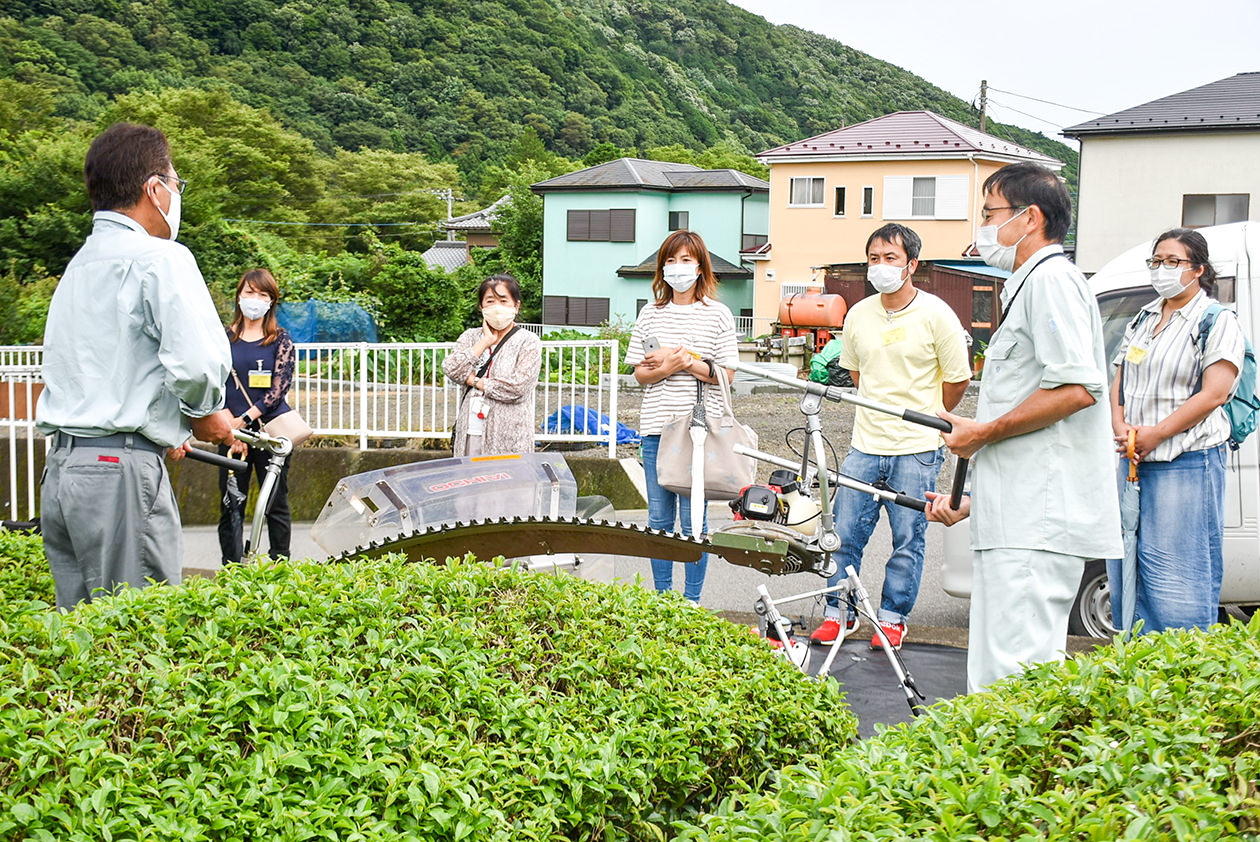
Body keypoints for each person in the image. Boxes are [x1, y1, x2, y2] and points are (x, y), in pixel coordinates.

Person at [925, 162, 1122, 692]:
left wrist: (982, 433)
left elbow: (1077, 388)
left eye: (990, 214)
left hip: (1038, 520)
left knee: (1017, 674)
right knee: (998, 670)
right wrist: (973, 496)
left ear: (1029, 217)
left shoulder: (1052, 282)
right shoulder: (1029, 284)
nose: (984, 228)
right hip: (1016, 512)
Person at [35, 122, 234, 609]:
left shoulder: (79, 266)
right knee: (138, 630)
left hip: (63, 469)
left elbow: (104, 368)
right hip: (117, 471)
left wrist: (164, 427)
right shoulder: (160, 258)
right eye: (175, 183)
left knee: (81, 638)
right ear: (154, 188)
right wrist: (205, 414)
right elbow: (197, 364)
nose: (176, 193)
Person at [810, 223, 971, 650]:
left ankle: (892, 618)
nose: (880, 267)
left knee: (908, 538)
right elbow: (859, 373)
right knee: (844, 531)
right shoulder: (860, 313)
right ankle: (837, 613)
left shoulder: (937, 314)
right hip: (866, 442)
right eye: (874, 259)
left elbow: (958, 379)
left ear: (911, 265)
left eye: (890, 259)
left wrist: (931, 417)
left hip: (917, 448)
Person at [1108, 229, 1243, 634]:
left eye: (1173, 262)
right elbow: (1120, 377)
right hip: (1134, 461)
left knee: (1179, 578)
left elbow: (1214, 393)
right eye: (1156, 261)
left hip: (1186, 461)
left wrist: (1156, 434)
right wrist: (1121, 426)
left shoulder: (1215, 320)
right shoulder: (1144, 316)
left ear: (1198, 270)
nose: (1162, 270)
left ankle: (1179, 673)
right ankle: (1137, 669)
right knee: (1130, 568)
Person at [624, 230, 739, 604]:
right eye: (671, 261)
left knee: (693, 523)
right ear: (661, 269)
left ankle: (691, 603)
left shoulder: (718, 314)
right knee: (658, 521)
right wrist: (666, 366)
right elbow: (640, 375)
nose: (678, 268)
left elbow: (727, 374)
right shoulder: (650, 313)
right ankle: (662, 600)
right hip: (656, 427)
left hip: (698, 432)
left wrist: (685, 361)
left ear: (701, 266)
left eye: (686, 260)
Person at [218, 268, 298, 564]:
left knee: (275, 503)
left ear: (272, 301)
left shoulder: (281, 339)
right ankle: (232, 568)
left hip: (270, 434)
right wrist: (229, 424)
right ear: (239, 296)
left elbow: (279, 389)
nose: (255, 299)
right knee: (231, 504)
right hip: (230, 435)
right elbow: (214, 383)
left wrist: (245, 421)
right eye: (250, 293)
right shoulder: (221, 338)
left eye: (263, 295)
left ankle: (280, 564)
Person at [442, 274, 542, 457]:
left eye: (504, 301)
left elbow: (518, 387)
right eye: (490, 301)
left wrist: (476, 381)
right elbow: (452, 369)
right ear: (481, 306)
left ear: (516, 306)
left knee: (508, 484)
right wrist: (485, 342)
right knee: (470, 481)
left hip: (510, 437)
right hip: (470, 432)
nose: (497, 307)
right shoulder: (470, 337)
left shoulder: (528, 341)